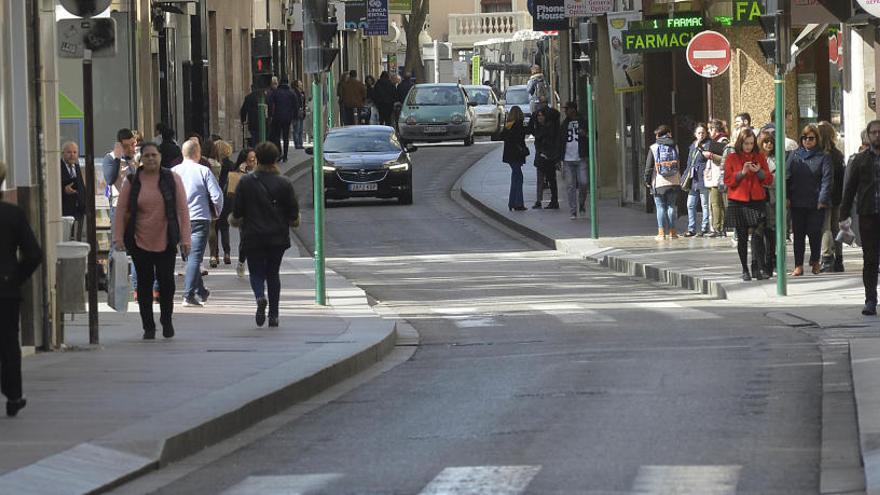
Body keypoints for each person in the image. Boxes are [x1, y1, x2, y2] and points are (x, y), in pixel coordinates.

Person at [114, 143, 190, 339]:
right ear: (141, 159)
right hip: (139, 240)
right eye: (146, 155)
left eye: (153, 155)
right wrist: (118, 237)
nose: (150, 159)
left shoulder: (172, 179)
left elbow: (182, 209)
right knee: (144, 285)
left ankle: (166, 320)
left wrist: (185, 239)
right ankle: (148, 326)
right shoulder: (132, 181)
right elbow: (121, 210)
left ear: (160, 157)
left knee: (167, 284)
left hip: (165, 239)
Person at [230, 142, 299, 328]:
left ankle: (260, 296)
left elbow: (237, 212)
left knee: (256, 272)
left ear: (257, 159)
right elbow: (293, 213)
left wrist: (236, 219)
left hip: (253, 235)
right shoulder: (284, 182)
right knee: (273, 273)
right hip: (277, 236)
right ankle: (274, 315)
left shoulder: (246, 182)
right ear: (276, 159)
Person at [0, 161, 41, 417]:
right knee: (8, 344)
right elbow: (34, 254)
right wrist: (16, 277)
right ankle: (14, 395)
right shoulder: (12, 214)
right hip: (6, 289)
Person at [172, 139, 224, 307]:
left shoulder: (172, 172)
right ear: (198, 153)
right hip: (199, 217)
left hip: (179, 218)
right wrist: (216, 212)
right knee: (195, 257)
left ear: (183, 153)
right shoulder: (203, 171)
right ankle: (188, 295)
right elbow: (216, 196)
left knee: (189, 256)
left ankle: (201, 291)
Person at [841, 120, 880, 315]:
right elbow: (849, 189)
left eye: (879, 132)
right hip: (868, 215)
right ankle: (870, 299)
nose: (877, 135)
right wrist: (844, 214)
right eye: (874, 132)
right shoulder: (860, 160)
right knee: (871, 259)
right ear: (868, 136)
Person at [723, 128, 773, 280]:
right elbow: (728, 180)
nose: (748, 146)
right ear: (740, 143)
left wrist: (759, 171)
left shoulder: (759, 157)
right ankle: (745, 269)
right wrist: (742, 173)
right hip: (738, 200)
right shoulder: (732, 158)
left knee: (758, 235)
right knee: (742, 236)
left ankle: (756, 266)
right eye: (746, 143)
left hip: (756, 200)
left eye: (751, 143)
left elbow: (768, 179)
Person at [786, 123, 832, 276]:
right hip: (797, 201)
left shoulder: (823, 156)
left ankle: (815, 261)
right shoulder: (794, 155)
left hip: (815, 202)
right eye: (804, 138)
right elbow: (786, 176)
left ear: (816, 139)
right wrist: (786, 197)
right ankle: (798, 265)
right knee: (798, 234)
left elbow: (827, 179)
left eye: (811, 138)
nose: (807, 141)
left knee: (814, 232)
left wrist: (822, 199)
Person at [817, 121, 846, 273]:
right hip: (837, 196)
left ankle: (827, 259)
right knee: (836, 228)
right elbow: (843, 176)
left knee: (825, 228)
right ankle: (839, 259)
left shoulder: (821, 154)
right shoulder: (838, 154)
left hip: (825, 195)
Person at [645, 125, 681, 240]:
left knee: (660, 208)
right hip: (674, 181)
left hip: (659, 182)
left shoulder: (654, 147)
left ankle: (661, 233)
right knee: (671, 206)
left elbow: (649, 167)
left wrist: (647, 180)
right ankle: (673, 233)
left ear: (657, 135)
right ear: (669, 133)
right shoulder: (675, 146)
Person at [757, 129, 780, 276]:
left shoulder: (776, 159)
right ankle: (761, 263)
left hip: (772, 198)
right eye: (766, 141)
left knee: (771, 231)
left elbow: (777, 179)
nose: (769, 144)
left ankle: (771, 261)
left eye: (771, 142)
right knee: (759, 231)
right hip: (759, 198)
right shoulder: (757, 158)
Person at [560, 101, 588, 219]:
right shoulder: (564, 124)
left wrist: (585, 134)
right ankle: (573, 211)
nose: (566, 111)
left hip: (581, 157)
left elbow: (593, 135)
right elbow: (560, 141)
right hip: (567, 159)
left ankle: (581, 203)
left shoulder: (583, 121)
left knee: (584, 182)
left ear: (573, 109)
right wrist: (559, 158)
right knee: (570, 186)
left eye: (567, 109)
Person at [703, 119, 730, 237]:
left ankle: (717, 228)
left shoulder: (723, 140)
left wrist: (711, 156)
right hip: (713, 176)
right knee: (715, 203)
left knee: (716, 203)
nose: (709, 132)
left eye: (710, 129)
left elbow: (725, 159)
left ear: (715, 129)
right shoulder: (714, 140)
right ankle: (718, 227)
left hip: (718, 176)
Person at [683, 124, 711, 237]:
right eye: (699, 133)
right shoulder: (692, 145)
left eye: (703, 132)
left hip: (703, 178)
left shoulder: (708, 144)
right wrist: (685, 175)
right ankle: (691, 228)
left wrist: (701, 148)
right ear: (695, 134)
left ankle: (704, 228)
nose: (701, 135)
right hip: (693, 179)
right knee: (690, 204)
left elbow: (708, 159)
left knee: (705, 204)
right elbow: (689, 162)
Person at [531, 106, 561, 210]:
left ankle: (554, 200)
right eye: (538, 116)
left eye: (541, 115)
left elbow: (551, 142)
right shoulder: (538, 128)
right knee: (541, 179)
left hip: (548, 157)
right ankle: (539, 200)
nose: (539, 118)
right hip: (541, 156)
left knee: (551, 179)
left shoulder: (550, 128)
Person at [233, 148, 256, 278]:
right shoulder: (239, 173)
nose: (254, 162)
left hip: (259, 211)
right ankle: (242, 262)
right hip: (245, 213)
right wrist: (241, 172)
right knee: (245, 240)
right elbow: (234, 189)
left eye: (255, 159)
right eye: (251, 160)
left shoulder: (261, 171)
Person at [501, 106, 528, 212]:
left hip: (509, 155)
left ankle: (512, 202)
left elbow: (502, 136)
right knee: (519, 178)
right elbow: (520, 140)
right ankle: (518, 203)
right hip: (517, 155)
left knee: (515, 177)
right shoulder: (518, 125)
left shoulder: (508, 125)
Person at [213, 140, 235, 266]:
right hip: (227, 199)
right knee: (225, 227)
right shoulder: (231, 165)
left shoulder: (213, 165)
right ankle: (227, 252)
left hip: (214, 197)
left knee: (214, 228)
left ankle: (215, 254)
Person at [60, 141, 87, 241]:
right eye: (69, 152)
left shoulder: (76, 166)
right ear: (63, 153)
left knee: (77, 238)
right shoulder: (58, 167)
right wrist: (64, 190)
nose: (72, 155)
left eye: (75, 152)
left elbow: (81, 186)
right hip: (65, 211)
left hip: (78, 211)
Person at [268, 78, 299, 162]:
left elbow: (270, 103)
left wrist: (270, 115)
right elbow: (296, 106)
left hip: (277, 117)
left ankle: (279, 152)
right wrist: (295, 117)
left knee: (276, 136)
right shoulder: (291, 93)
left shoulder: (276, 92)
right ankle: (285, 155)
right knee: (286, 137)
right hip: (287, 118)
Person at [292, 80, 307, 149]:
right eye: (300, 83)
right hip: (296, 113)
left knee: (300, 129)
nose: (301, 84)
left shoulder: (302, 93)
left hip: (301, 113)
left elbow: (303, 103)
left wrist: (304, 111)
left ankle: (300, 143)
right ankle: (297, 144)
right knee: (296, 129)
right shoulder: (294, 92)